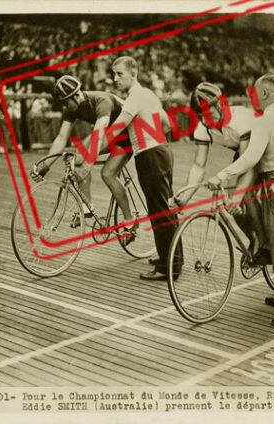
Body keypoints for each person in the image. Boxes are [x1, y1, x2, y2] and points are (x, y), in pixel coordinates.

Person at [208, 74, 274, 331]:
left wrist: (221, 175)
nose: (251, 97)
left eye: (254, 93)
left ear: (265, 94)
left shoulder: (264, 120)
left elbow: (250, 158)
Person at [31, 75, 137, 239]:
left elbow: (100, 132)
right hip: (109, 132)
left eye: (66, 103)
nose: (65, 107)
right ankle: (86, 208)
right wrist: (45, 165)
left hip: (130, 132)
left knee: (107, 174)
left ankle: (130, 222)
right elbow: (61, 137)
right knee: (76, 158)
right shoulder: (71, 107)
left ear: (76, 95)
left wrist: (88, 162)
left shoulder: (101, 100)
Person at [174, 82, 269, 262]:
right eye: (201, 117)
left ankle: (265, 246)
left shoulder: (241, 119)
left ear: (221, 105)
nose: (206, 121)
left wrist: (238, 196)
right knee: (230, 203)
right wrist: (185, 196)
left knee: (243, 195)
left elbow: (249, 162)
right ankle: (254, 238)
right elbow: (198, 164)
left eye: (210, 115)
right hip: (242, 153)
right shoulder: (203, 127)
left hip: (263, 150)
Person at [108, 56, 182, 281]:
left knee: (159, 211)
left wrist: (88, 153)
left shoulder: (134, 98)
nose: (115, 79)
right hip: (162, 151)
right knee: (165, 209)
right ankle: (170, 259)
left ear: (134, 73)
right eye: (113, 74)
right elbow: (168, 125)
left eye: (120, 74)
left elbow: (114, 130)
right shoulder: (148, 94)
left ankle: (167, 268)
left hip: (149, 156)